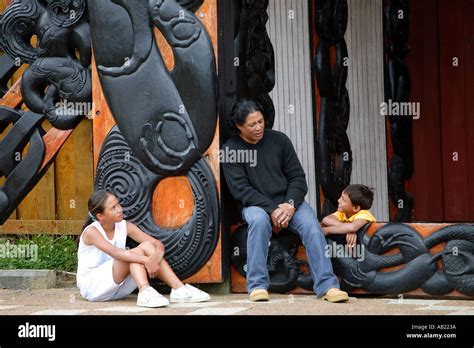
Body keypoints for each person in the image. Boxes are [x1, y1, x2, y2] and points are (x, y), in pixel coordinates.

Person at [221, 99, 349, 303]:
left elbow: (298, 178)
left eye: (261, 121)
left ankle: (327, 286)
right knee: (259, 221)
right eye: (251, 124)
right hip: (255, 205)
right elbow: (241, 190)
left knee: (312, 226)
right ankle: (257, 286)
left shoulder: (279, 140)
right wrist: (273, 209)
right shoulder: (231, 149)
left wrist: (289, 204)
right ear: (238, 126)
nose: (258, 127)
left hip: (289, 203)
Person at [76, 190, 210, 307]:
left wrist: (156, 256)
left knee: (145, 247)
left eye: (118, 204)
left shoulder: (124, 226)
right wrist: (146, 261)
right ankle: (145, 290)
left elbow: (156, 243)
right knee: (132, 253)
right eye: (113, 208)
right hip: (93, 287)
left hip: (118, 288)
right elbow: (117, 254)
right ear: (100, 216)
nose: (119, 209)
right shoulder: (91, 232)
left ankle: (179, 289)